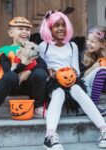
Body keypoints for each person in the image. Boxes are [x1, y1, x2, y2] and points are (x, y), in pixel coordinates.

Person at [38, 10, 106, 150]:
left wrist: (73, 72)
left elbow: (76, 68)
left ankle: (104, 129)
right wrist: (50, 71)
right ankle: (50, 136)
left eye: (63, 25)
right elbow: (41, 67)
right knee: (59, 93)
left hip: (70, 79)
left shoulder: (72, 46)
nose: (61, 28)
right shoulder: (43, 46)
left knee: (76, 89)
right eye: (56, 26)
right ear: (49, 28)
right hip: (53, 81)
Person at [0, 16, 48, 120]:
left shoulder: (32, 47)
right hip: (11, 86)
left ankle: (38, 107)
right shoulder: (5, 50)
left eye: (27, 29)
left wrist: (28, 71)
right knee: (10, 76)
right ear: (11, 33)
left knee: (41, 72)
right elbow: (7, 71)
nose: (24, 32)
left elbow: (43, 65)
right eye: (20, 29)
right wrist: (23, 65)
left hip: (29, 86)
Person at [82, 26, 106, 115]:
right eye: (88, 40)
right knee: (102, 71)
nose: (89, 43)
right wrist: (93, 68)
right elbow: (81, 76)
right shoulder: (84, 55)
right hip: (86, 84)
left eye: (92, 42)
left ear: (102, 45)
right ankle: (93, 106)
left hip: (100, 84)